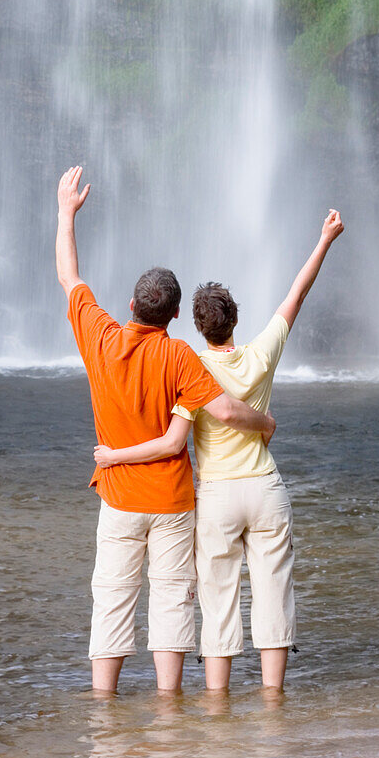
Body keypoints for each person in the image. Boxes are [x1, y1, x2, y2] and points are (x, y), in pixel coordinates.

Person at [94, 209, 344, 694]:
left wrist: (113, 456)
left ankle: (216, 702)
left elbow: (172, 437)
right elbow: (297, 293)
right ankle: (273, 699)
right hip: (266, 488)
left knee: (218, 599)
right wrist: (325, 240)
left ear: (193, 325)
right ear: (237, 321)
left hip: (216, 497)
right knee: (273, 593)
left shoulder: (192, 368)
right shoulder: (262, 354)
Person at [55, 165, 277, 694]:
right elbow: (225, 411)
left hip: (119, 498)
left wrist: (65, 213)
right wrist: (265, 422)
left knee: (111, 597)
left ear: (131, 306)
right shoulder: (179, 355)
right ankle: (168, 709)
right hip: (173, 501)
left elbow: (69, 276)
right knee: (173, 599)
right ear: (176, 314)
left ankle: (104, 707)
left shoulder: (101, 337)